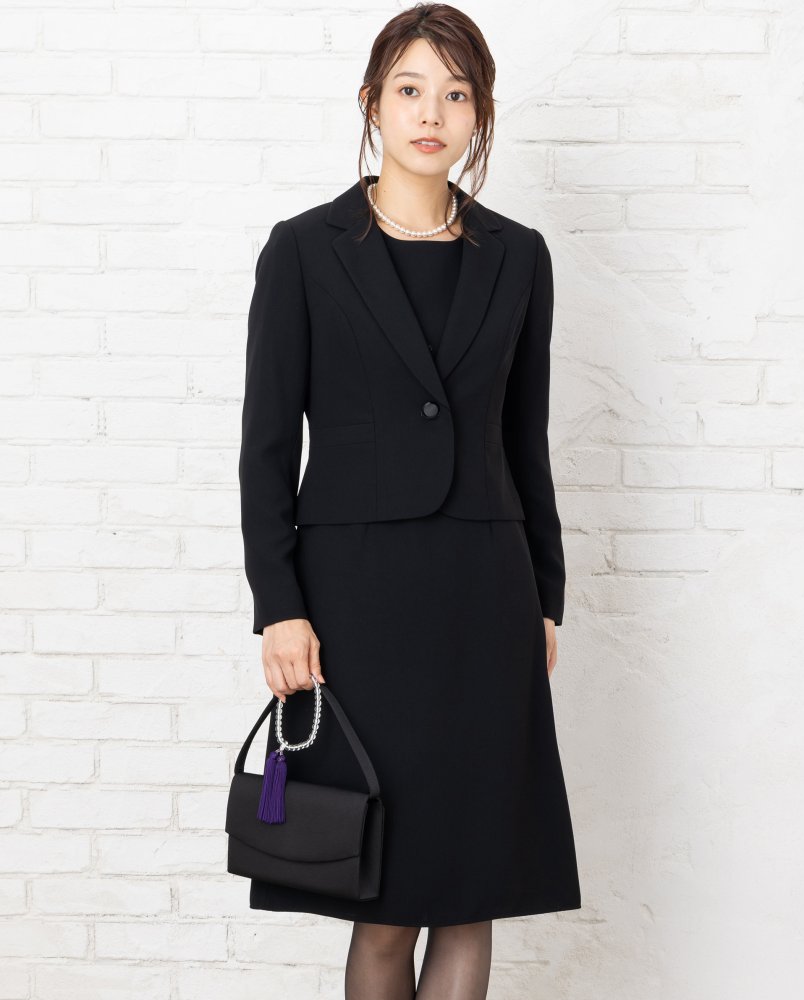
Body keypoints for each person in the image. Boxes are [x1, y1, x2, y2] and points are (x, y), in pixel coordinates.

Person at [237, 4, 581, 998]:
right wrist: (279, 605)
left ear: (479, 112)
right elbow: (266, 449)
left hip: (485, 596)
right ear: (371, 103)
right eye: (409, 89)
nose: (432, 113)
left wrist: (544, 597)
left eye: (456, 93)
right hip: (356, 604)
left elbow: (522, 440)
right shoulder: (304, 250)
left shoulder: (517, 255)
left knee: (470, 889)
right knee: (382, 896)